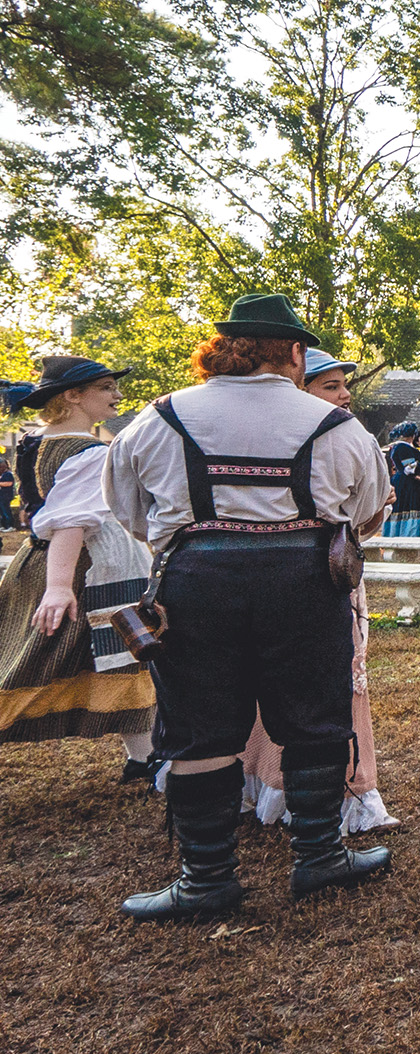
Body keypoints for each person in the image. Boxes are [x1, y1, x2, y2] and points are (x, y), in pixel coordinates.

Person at [105, 293, 393, 921]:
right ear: (294, 352)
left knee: (198, 726)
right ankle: (318, 857)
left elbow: (127, 507)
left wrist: (192, 541)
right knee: (316, 718)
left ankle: (205, 878)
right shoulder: (336, 425)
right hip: (306, 580)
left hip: (196, 581)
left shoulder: (160, 417)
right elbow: (368, 511)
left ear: (225, 348)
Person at [234, 347, 399, 834]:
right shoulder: (338, 436)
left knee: (267, 683)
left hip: (250, 580)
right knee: (332, 688)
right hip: (319, 579)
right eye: (331, 386)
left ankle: (265, 787)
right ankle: (350, 795)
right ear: (297, 389)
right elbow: (355, 527)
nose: (345, 394)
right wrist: (372, 506)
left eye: (343, 383)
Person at [0, 357, 157, 776]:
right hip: (86, 568)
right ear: (72, 395)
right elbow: (70, 522)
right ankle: (144, 760)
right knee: (118, 656)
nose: (117, 395)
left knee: (115, 661)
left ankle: (143, 759)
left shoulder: (36, 441)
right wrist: (59, 586)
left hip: (36, 560)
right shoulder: (88, 453)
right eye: (106, 387)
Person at [382, 422, 420, 538]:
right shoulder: (402, 447)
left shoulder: (399, 446)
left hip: (406, 482)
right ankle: (410, 534)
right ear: (413, 435)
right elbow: (410, 468)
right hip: (409, 484)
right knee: (411, 507)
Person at [0, 460, 15, 530]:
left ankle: (10, 526)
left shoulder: (8, 474)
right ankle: (4, 525)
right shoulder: (2, 475)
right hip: (1, 495)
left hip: (6, 495)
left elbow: (9, 483)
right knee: (2, 511)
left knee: (6, 510)